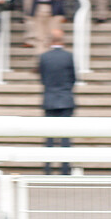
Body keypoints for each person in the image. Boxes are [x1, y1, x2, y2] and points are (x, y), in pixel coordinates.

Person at [39, 29, 76, 175]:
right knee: (65, 137)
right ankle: (65, 169)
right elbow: (73, 77)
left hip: (49, 98)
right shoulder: (68, 57)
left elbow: (43, 78)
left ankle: (48, 168)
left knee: (49, 137)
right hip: (66, 98)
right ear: (63, 40)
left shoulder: (44, 57)